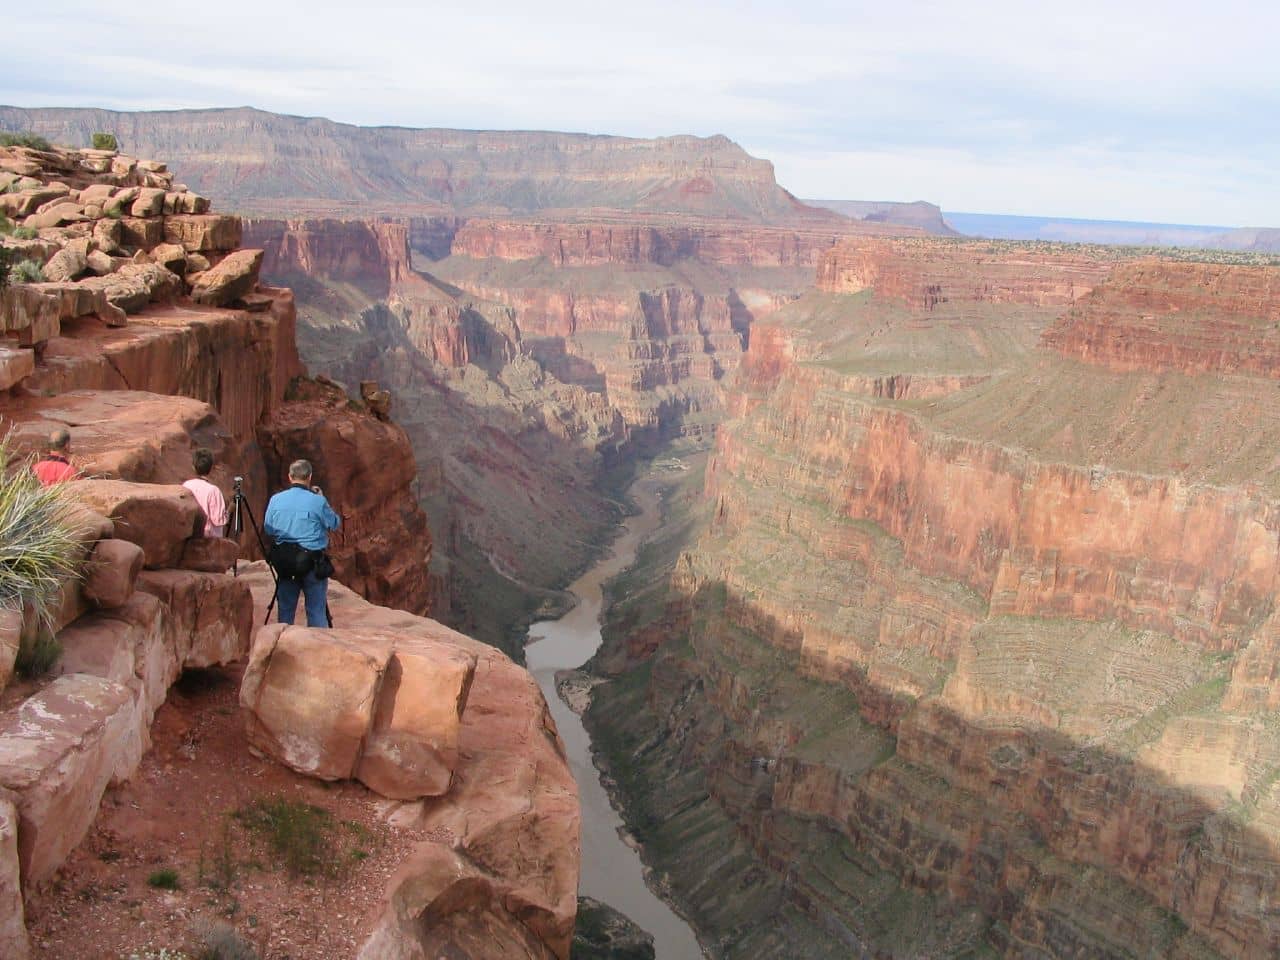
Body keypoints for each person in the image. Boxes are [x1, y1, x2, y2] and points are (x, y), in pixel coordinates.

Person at [263, 459, 340, 628]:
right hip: (312, 563)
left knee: (285, 612)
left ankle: (282, 646)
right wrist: (322, 499)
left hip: (285, 563)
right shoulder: (317, 501)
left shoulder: (276, 500)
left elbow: (268, 528)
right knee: (316, 612)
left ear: (290, 477)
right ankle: (317, 647)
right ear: (309, 477)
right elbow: (334, 523)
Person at [181, 448, 229, 538]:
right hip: (209, 541)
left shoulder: (186, 486)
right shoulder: (213, 491)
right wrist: (230, 509)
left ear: (193, 466)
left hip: (191, 538)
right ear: (211, 468)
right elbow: (219, 520)